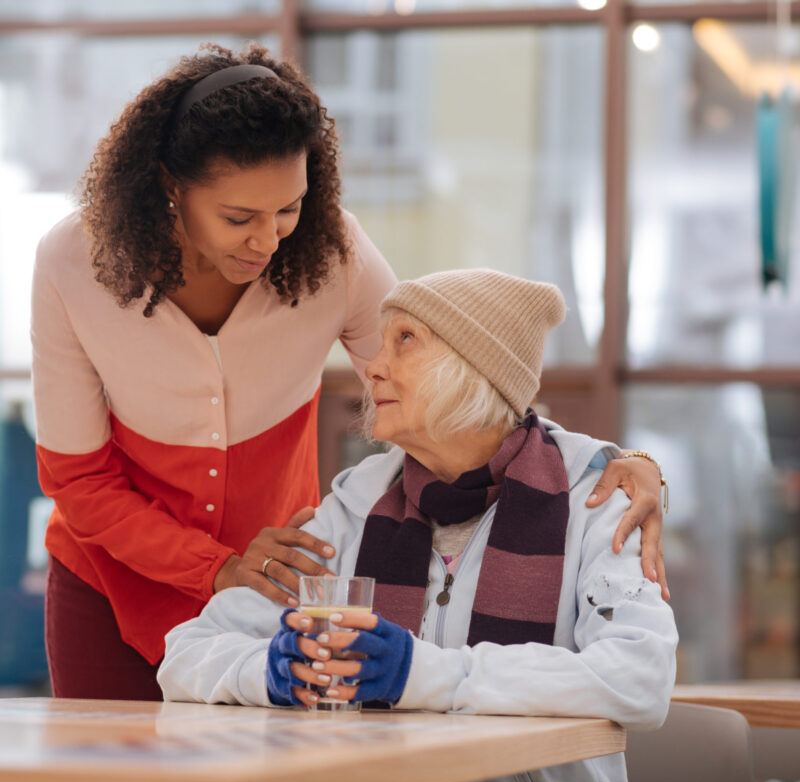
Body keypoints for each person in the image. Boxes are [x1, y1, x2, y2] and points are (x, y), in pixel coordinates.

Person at [32, 43, 667, 703]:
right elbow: (78, 478)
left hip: (274, 577)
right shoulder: (73, 265)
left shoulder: (332, 252)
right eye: (238, 217)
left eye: (289, 208)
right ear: (170, 184)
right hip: (110, 581)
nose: (269, 239)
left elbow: (448, 388)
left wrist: (605, 464)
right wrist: (214, 566)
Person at [158, 270, 678, 782]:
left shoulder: (595, 499)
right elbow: (185, 655)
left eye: (405, 341)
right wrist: (269, 671)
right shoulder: (354, 507)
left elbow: (641, 676)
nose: (374, 369)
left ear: (477, 369)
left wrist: (423, 674)